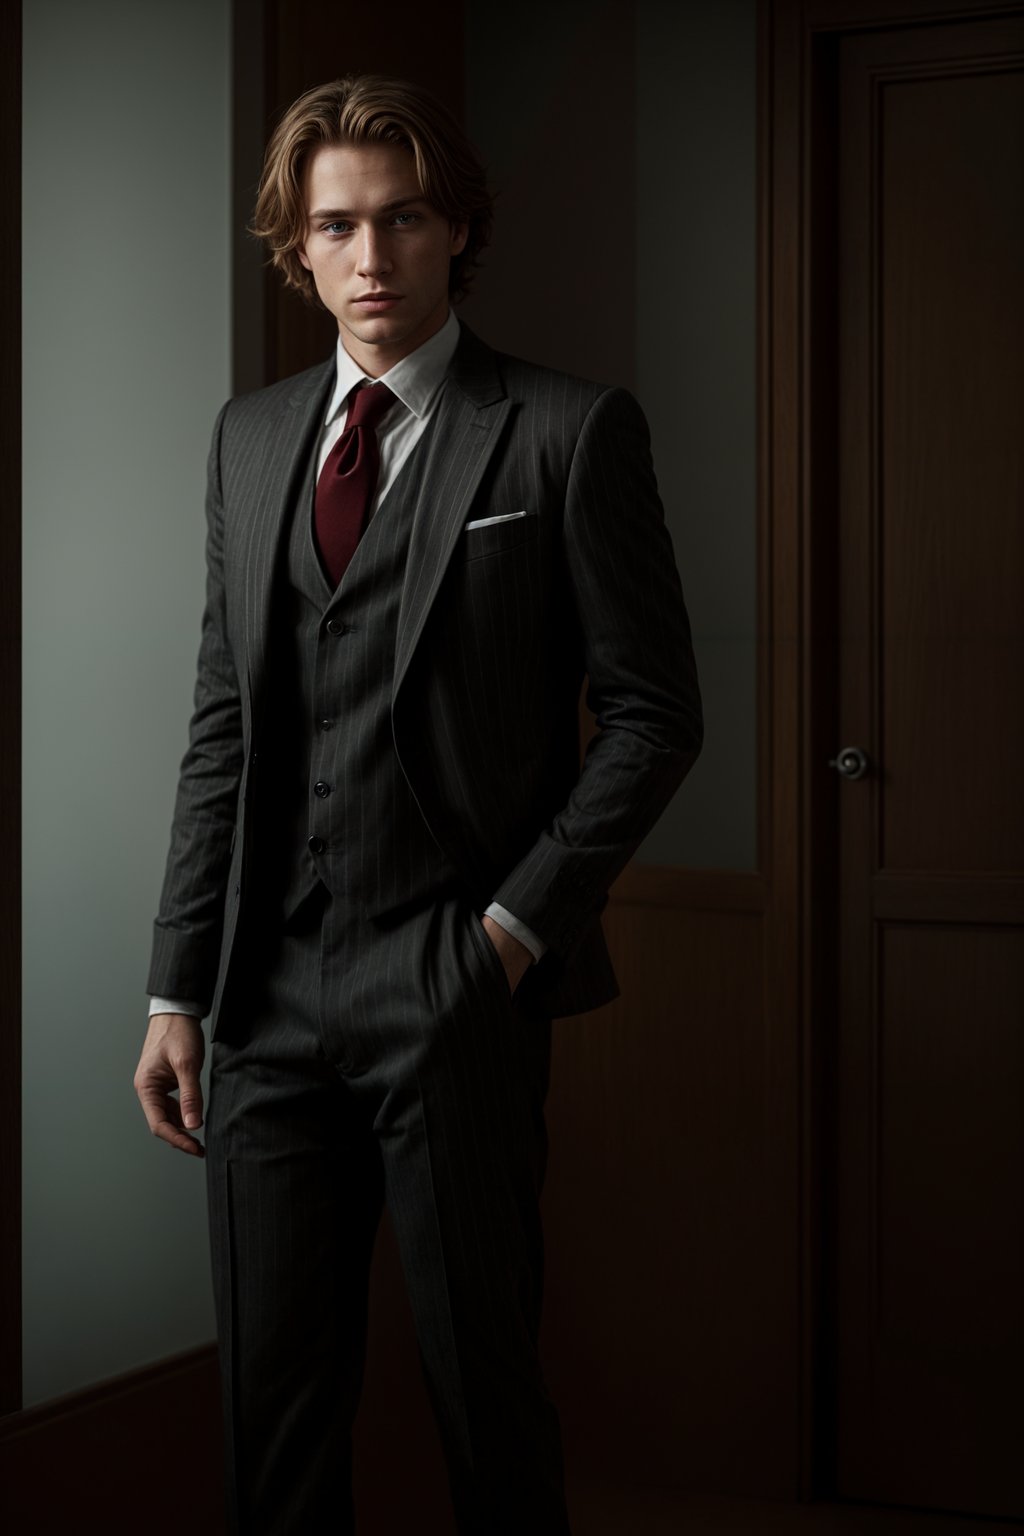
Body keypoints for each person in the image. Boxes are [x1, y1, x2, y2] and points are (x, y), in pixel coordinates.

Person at [133, 73, 702, 1536]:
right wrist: (175, 990)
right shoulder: (250, 439)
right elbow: (224, 727)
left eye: (404, 219)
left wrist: (506, 939)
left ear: (458, 232)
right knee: (276, 1417)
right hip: (261, 1000)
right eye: (338, 226)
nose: (372, 256)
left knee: (483, 1396)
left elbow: (654, 718)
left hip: (451, 984)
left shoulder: (568, 432)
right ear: (297, 249)